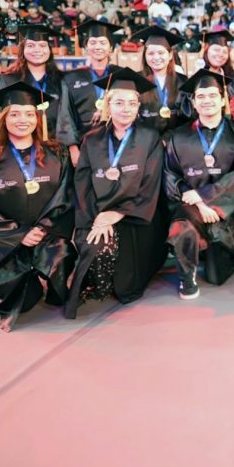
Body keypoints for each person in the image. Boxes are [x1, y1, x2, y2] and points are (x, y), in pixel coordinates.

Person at [0, 82, 75, 332]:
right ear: (3, 118)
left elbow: (66, 197)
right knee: (22, 302)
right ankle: (28, 283)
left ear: (37, 118)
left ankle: (51, 284)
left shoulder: (57, 153)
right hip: (7, 243)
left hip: (47, 236)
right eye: (14, 114)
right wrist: (19, 233)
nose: (22, 120)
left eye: (29, 114)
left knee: (62, 262)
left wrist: (42, 229)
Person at [65, 69, 165, 318]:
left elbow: (150, 184)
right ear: (107, 105)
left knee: (127, 287)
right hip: (99, 214)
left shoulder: (150, 137)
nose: (126, 109)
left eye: (132, 103)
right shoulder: (92, 139)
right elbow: (83, 184)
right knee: (96, 249)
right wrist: (97, 217)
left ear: (138, 107)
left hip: (136, 216)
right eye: (119, 102)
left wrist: (118, 213)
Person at [164, 69, 234, 299]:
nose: (207, 101)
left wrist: (205, 196)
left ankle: (201, 248)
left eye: (213, 95)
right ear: (193, 102)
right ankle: (187, 277)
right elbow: (171, 175)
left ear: (223, 100)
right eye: (201, 96)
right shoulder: (178, 137)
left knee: (218, 275)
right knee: (182, 227)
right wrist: (198, 201)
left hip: (224, 213)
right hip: (190, 209)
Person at [0, 23, 64, 136]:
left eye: (43, 45)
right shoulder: (5, 81)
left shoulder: (62, 81)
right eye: (30, 45)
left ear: (49, 50)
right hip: (18, 144)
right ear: (22, 49)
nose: (37, 50)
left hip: (57, 144)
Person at [57, 19, 118, 165]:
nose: (98, 47)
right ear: (86, 47)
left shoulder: (121, 75)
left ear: (111, 48)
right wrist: (73, 148)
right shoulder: (71, 78)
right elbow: (66, 114)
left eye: (103, 43)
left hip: (118, 143)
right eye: (93, 42)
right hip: (83, 145)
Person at [129, 24, 187, 136]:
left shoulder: (182, 81)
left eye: (161, 53)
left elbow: (187, 118)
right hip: (145, 140)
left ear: (170, 55)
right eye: (151, 53)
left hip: (177, 140)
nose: (156, 58)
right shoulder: (135, 80)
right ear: (145, 56)